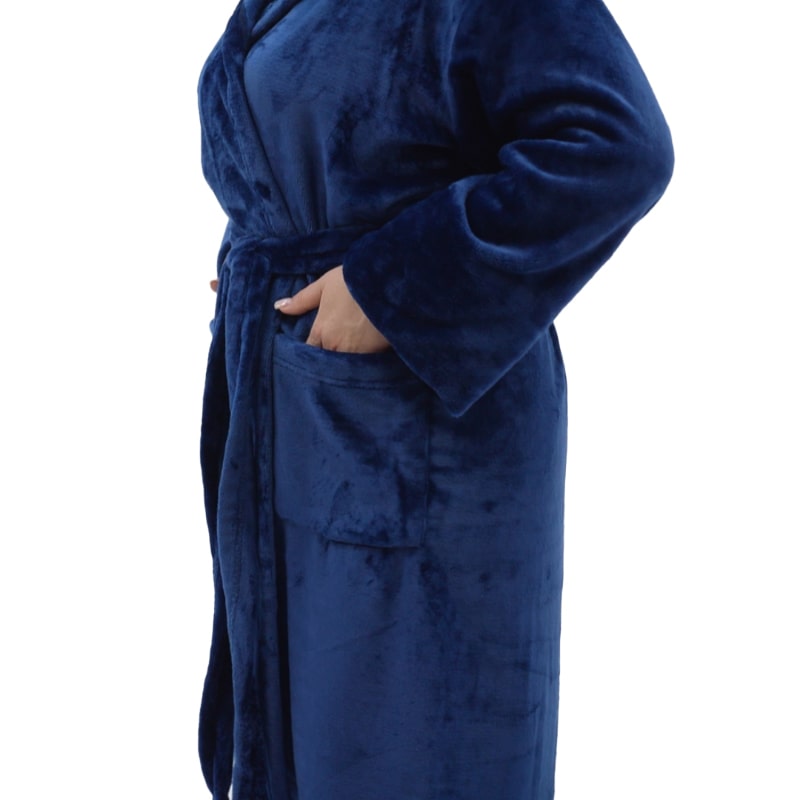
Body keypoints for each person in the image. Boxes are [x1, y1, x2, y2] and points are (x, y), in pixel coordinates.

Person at [197, 0, 673, 798]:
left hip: (424, 442)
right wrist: (271, 254)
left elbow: (617, 145)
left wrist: (389, 286)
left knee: (412, 750)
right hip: (309, 408)